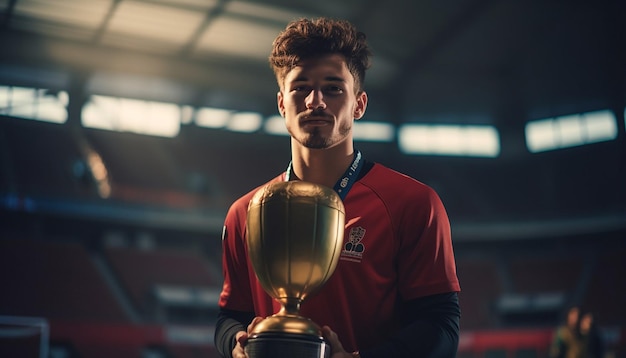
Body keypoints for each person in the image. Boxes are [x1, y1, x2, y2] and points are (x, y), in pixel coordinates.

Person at [214, 17, 461, 358]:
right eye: (300, 88)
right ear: (282, 103)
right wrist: (235, 345)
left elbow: (441, 325)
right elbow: (230, 317)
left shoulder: (414, 203)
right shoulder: (244, 213)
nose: (316, 101)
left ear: (359, 104)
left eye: (333, 88)